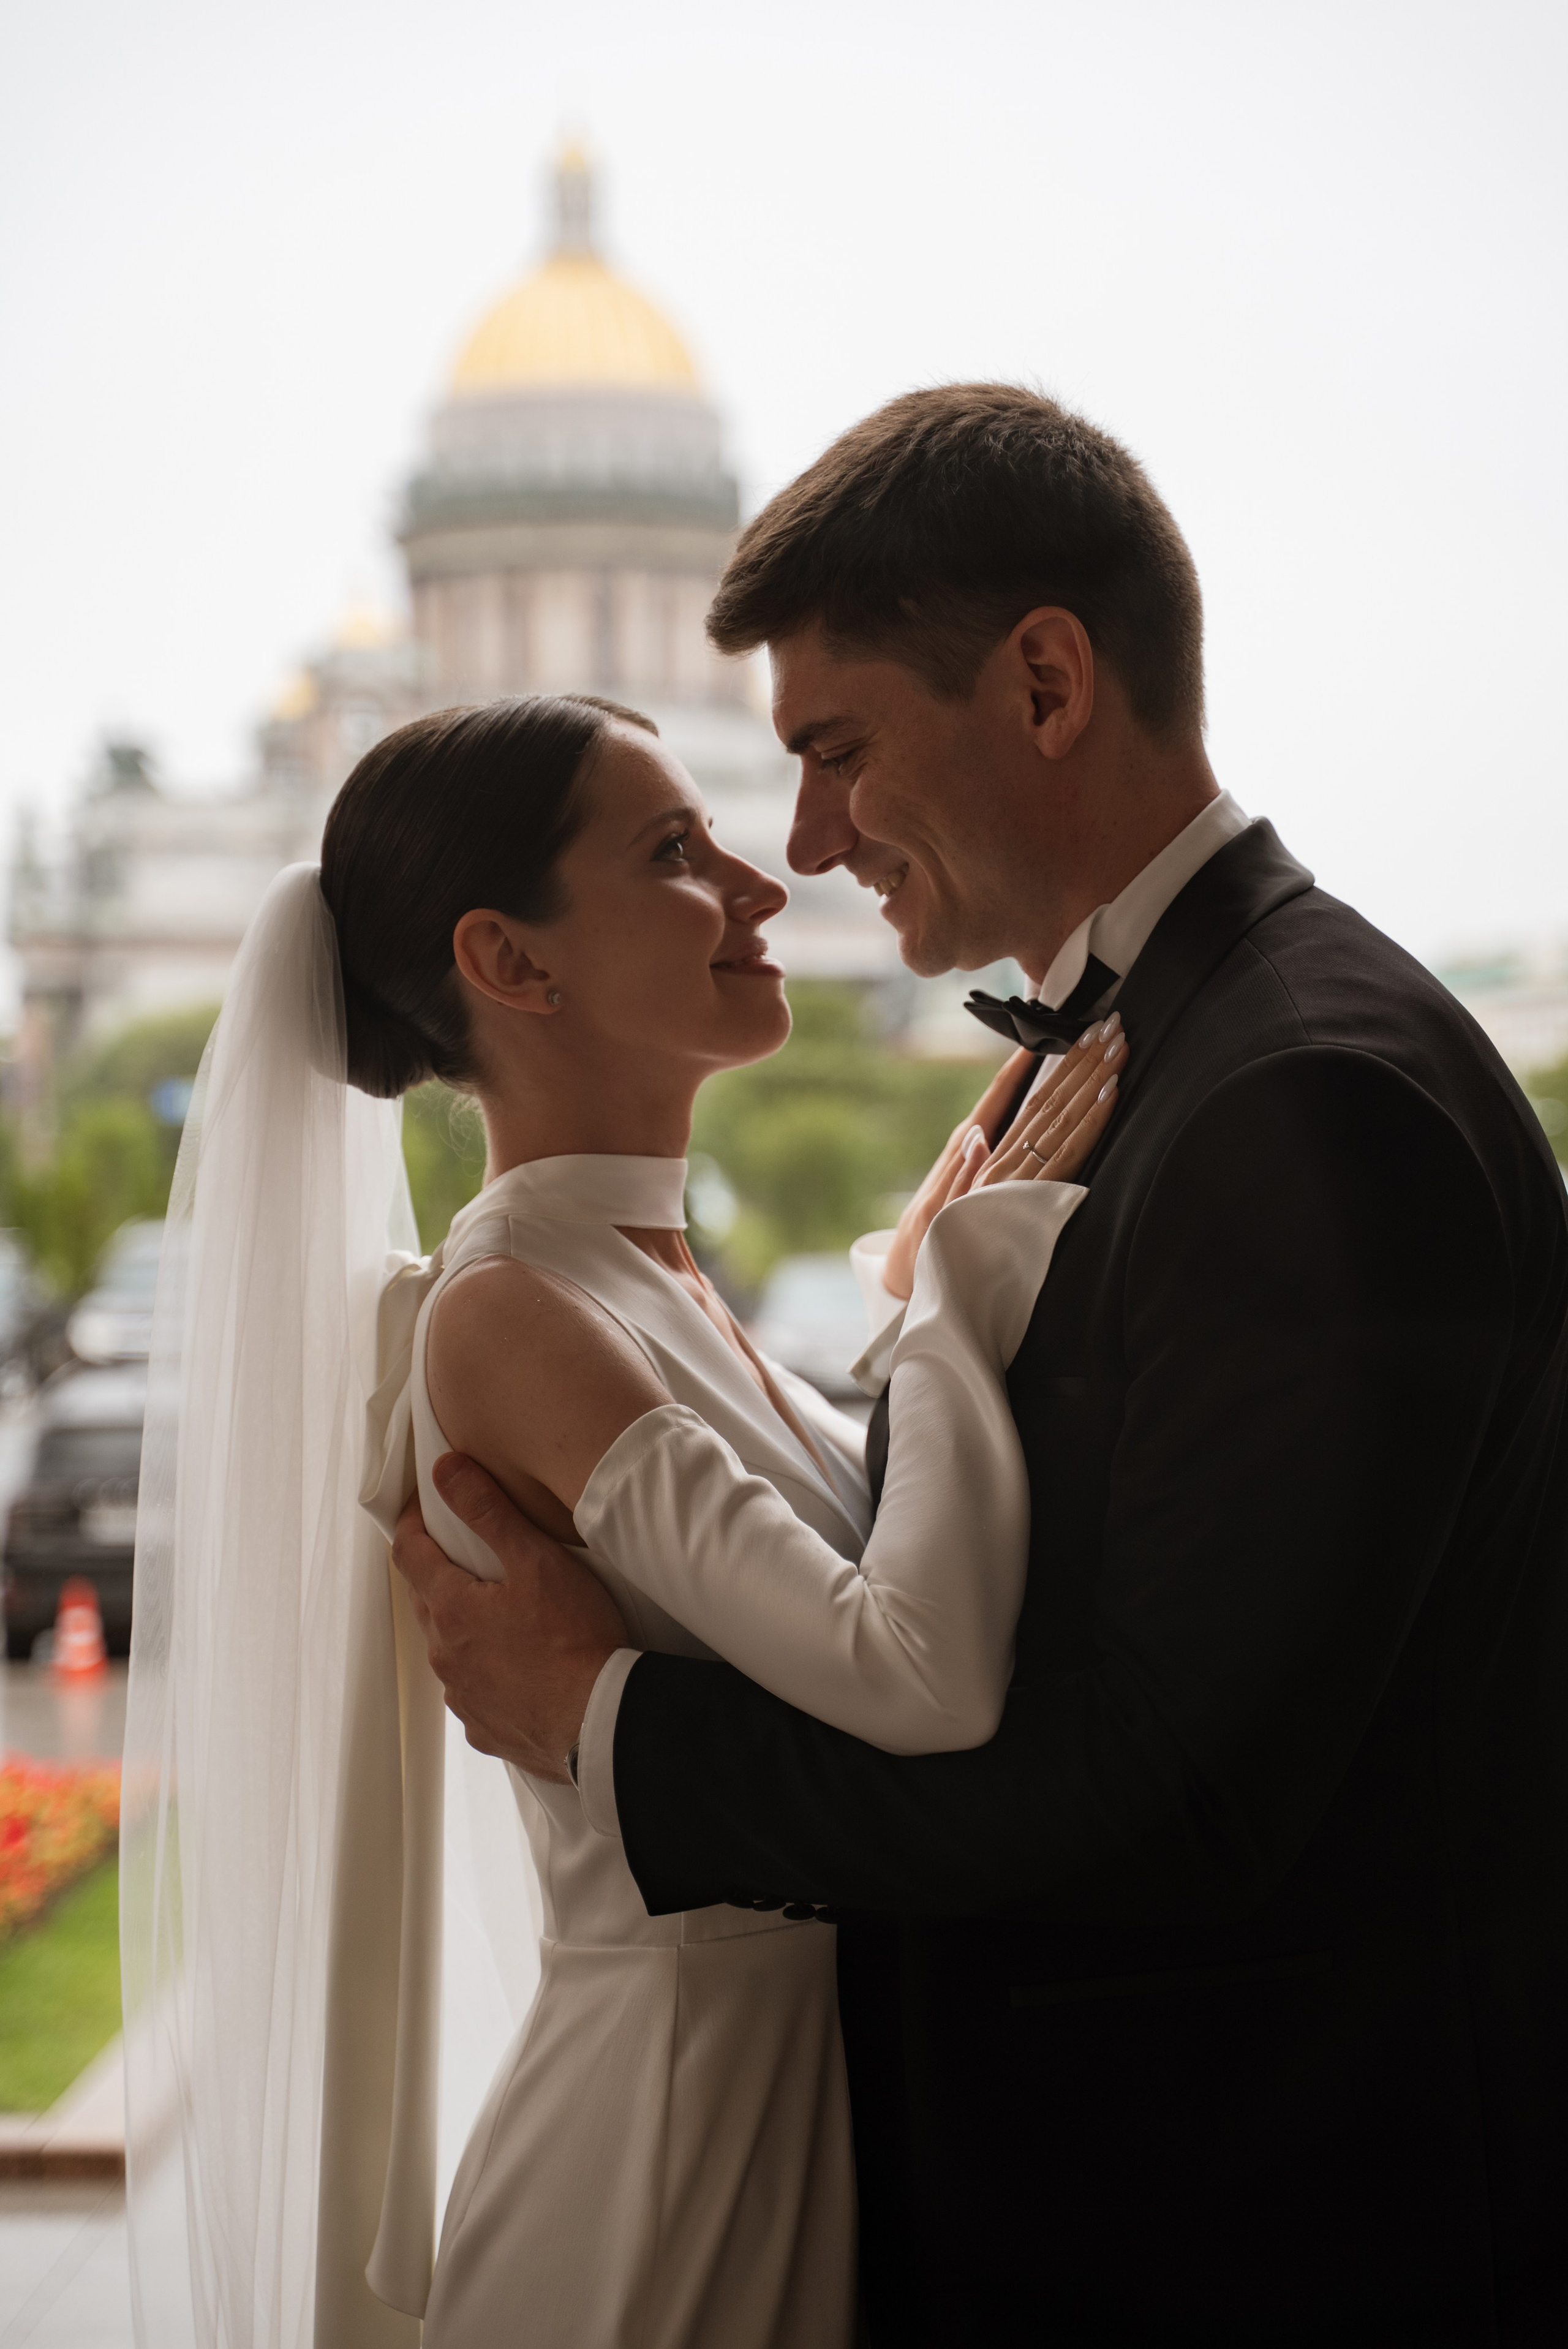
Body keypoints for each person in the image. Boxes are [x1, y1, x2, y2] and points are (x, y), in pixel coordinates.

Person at [395, 385, 1568, 2345]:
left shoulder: (1304, 1097)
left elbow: (1175, 1789)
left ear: (1044, 685)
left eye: (837, 752)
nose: (805, 841)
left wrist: (607, 1718)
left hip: (1252, 2219)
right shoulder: (1159, 1056)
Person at [121, 685, 1121, 2349]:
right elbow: (918, 1672)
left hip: (773, 2115)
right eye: (676, 852)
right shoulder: (510, 1306)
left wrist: (906, 1305)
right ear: (512, 963)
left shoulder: (646, 1275)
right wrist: (966, 1280)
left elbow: (852, 1582)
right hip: (659, 2172)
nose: (763, 886)